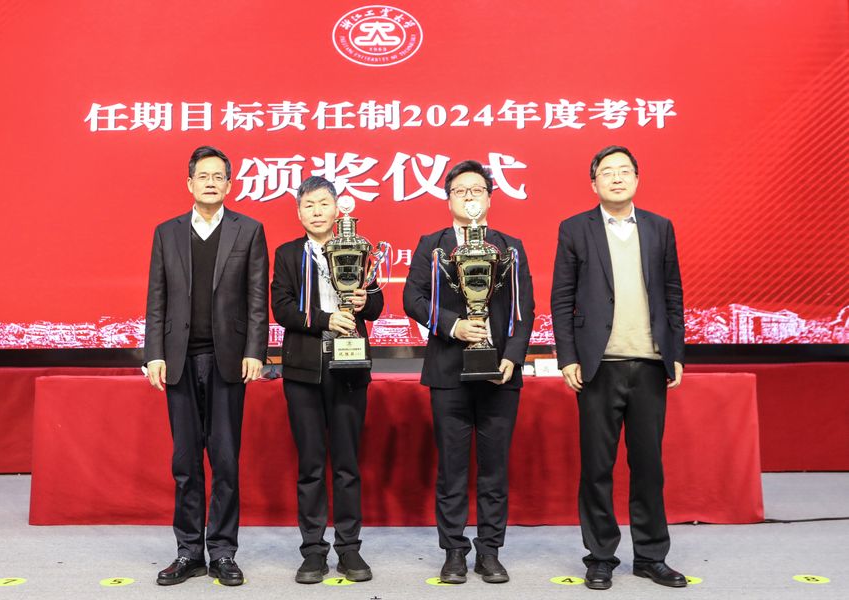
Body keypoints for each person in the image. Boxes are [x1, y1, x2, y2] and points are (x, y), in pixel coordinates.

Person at [550, 145, 686, 590]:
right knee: (597, 467)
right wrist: (568, 357)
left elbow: (672, 292)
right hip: (598, 365)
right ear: (594, 184)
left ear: (637, 179)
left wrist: (675, 351)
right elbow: (562, 299)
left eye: (624, 170)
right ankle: (600, 556)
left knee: (649, 466)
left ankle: (650, 556)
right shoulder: (575, 228)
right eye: (607, 172)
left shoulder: (659, 227)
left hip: (649, 362)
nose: (616, 177)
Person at [403, 160, 535, 584]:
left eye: (477, 190)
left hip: (500, 372)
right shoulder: (433, 245)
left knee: (494, 470)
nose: (469, 197)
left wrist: (513, 356)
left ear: (490, 198)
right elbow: (412, 298)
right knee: (452, 469)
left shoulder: (510, 246)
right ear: (448, 200)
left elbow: (524, 307)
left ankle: (490, 552)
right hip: (448, 371)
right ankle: (454, 552)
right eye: (460, 191)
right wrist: (452, 325)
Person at [144, 145, 269, 586]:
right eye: (204, 176)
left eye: (219, 176)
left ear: (230, 185)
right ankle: (188, 552)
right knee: (185, 462)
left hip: (228, 360)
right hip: (179, 360)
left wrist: (256, 350)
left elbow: (257, 298)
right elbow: (156, 297)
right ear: (190, 183)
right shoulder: (167, 232)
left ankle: (223, 552)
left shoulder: (248, 230)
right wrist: (154, 353)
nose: (211, 182)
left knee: (225, 460)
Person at [271, 176, 384, 584]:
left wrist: (364, 300)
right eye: (309, 205)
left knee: (347, 464)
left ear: (338, 209)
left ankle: (349, 548)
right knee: (311, 465)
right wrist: (325, 320)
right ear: (299, 213)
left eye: (323, 204)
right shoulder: (287, 254)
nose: (317, 212)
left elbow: (377, 305)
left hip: (349, 369)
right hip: (303, 370)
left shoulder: (359, 248)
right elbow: (282, 307)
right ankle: (314, 551)